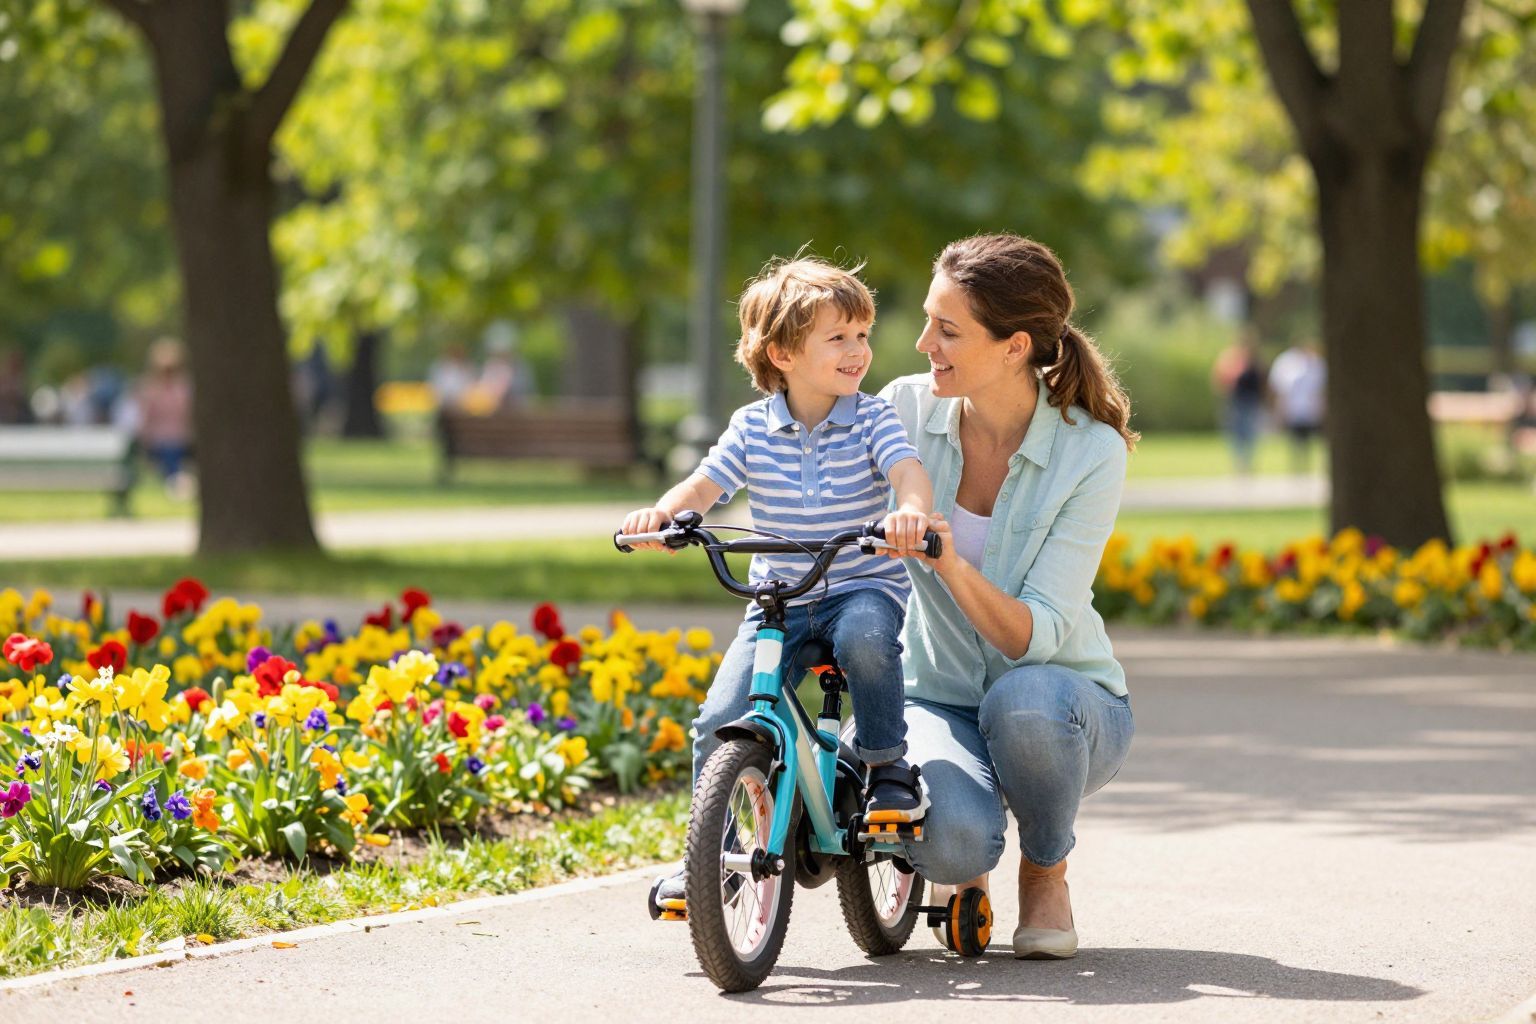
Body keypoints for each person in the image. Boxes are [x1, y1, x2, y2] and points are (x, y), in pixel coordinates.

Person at [621, 256, 935, 904]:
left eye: (862, 336)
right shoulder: (751, 427)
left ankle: (886, 765)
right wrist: (667, 514)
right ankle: (715, 858)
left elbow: (907, 473)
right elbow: (705, 484)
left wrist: (909, 513)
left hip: (859, 585)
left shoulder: (872, 419)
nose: (859, 352)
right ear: (784, 352)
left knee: (869, 644)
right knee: (719, 718)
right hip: (779, 599)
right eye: (839, 338)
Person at [877, 233, 1137, 960]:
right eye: (930, 319)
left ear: (1015, 346)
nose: (924, 341)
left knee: (1021, 701)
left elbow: (1037, 636)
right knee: (955, 843)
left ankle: (1045, 868)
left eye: (948, 329)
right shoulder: (901, 410)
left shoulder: (1091, 450)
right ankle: (968, 861)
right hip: (935, 694)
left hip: (1066, 706)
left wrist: (951, 563)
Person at [134, 337, 195, 496]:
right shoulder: (150, 389)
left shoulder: (184, 388)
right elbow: (146, 417)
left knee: (174, 448)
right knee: (169, 450)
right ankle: (176, 484)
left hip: (183, 438)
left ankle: (176, 483)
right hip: (159, 440)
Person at [1211, 328, 1267, 474]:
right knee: (1236, 435)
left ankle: (1247, 464)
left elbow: (1261, 381)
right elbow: (1220, 379)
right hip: (1236, 401)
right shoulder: (1231, 358)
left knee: (1250, 434)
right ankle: (1239, 464)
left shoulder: (1255, 360)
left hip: (1251, 401)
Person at [1268, 339, 1326, 474]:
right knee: (1295, 440)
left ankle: (1305, 467)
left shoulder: (1316, 365)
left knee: (1309, 440)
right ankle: (1297, 468)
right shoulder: (1288, 364)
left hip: (1310, 411)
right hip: (1295, 410)